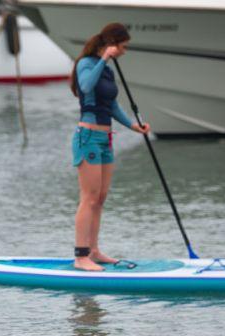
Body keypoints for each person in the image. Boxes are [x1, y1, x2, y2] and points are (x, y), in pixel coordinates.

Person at [70, 23, 150, 271]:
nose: (124, 52)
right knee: (89, 197)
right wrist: (104, 58)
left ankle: (94, 251)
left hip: (106, 140)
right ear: (111, 44)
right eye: (122, 46)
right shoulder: (87, 64)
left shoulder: (107, 71)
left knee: (101, 198)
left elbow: (112, 105)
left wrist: (132, 125)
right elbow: (84, 87)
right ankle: (81, 256)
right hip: (88, 138)